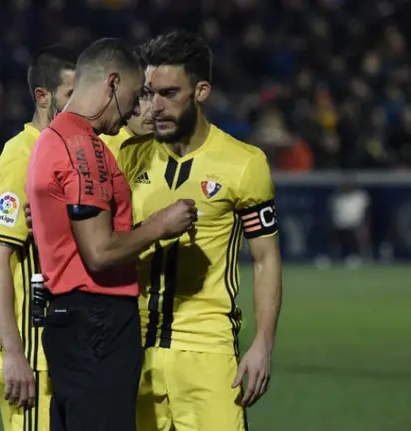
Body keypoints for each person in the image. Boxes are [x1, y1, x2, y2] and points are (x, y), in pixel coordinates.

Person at [25, 38, 198, 431]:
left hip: (73, 320)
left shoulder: (51, 139)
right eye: (135, 96)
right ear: (113, 83)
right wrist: (160, 226)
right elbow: (99, 252)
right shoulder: (83, 148)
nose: (137, 110)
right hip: (98, 322)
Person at [117, 30, 284, 431]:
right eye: (149, 93)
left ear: (201, 91)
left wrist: (262, 345)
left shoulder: (244, 164)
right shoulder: (126, 157)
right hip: (133, 350)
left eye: (169, 93)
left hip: (208, 351)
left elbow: (265, 260)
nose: (154, 107)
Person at [0, 44, 77, 431]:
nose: (83, 104)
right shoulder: (20, 160)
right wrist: (14, 353)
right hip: (33, 351)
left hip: (66, 349)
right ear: (43, 96)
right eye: (72, 95)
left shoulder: (71, 150)